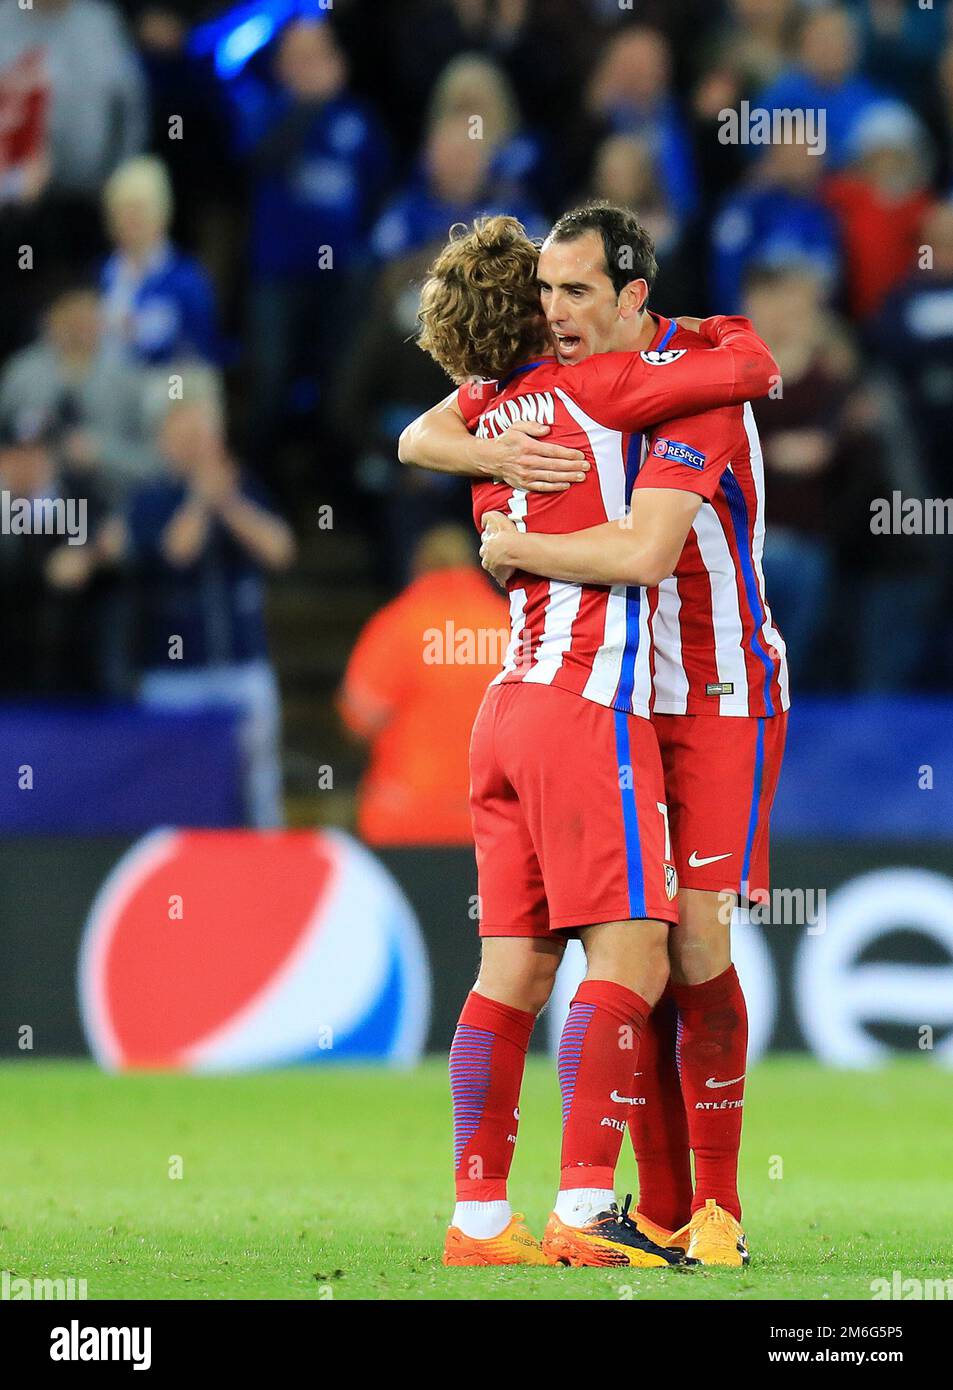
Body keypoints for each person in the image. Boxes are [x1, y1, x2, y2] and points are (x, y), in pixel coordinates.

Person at [399, 211, 782, 1267]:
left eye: (576, 291)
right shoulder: (593, 392)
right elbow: (738, 395)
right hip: (589, 706)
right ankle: (588, 1205)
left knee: (522, 967)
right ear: (524, 313)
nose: (559, 312)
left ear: (626, 293)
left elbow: (409, 434)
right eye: (544, 295)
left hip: (580, 700)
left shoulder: (498, 411)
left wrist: (502, 518)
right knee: (635, 950)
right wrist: (731, 346)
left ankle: (488, 1219)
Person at [123, 395, 295, 828]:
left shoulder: (241, 487)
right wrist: (201, 500)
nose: (195, 448)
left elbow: (280, 549)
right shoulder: (151, 497)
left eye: (202, 438)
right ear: (164, 443)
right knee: (170, 781)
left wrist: (228, 502)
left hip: (242, 664)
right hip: (175, 673)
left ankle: (264, 866)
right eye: (184, 439)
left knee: (259, 780)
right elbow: (177, 551)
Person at [338, 525, 509, 847]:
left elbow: (360, 718)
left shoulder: (399, 624)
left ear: (418, 566)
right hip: (491, 818)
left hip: (406, 817)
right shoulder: (508, 624)